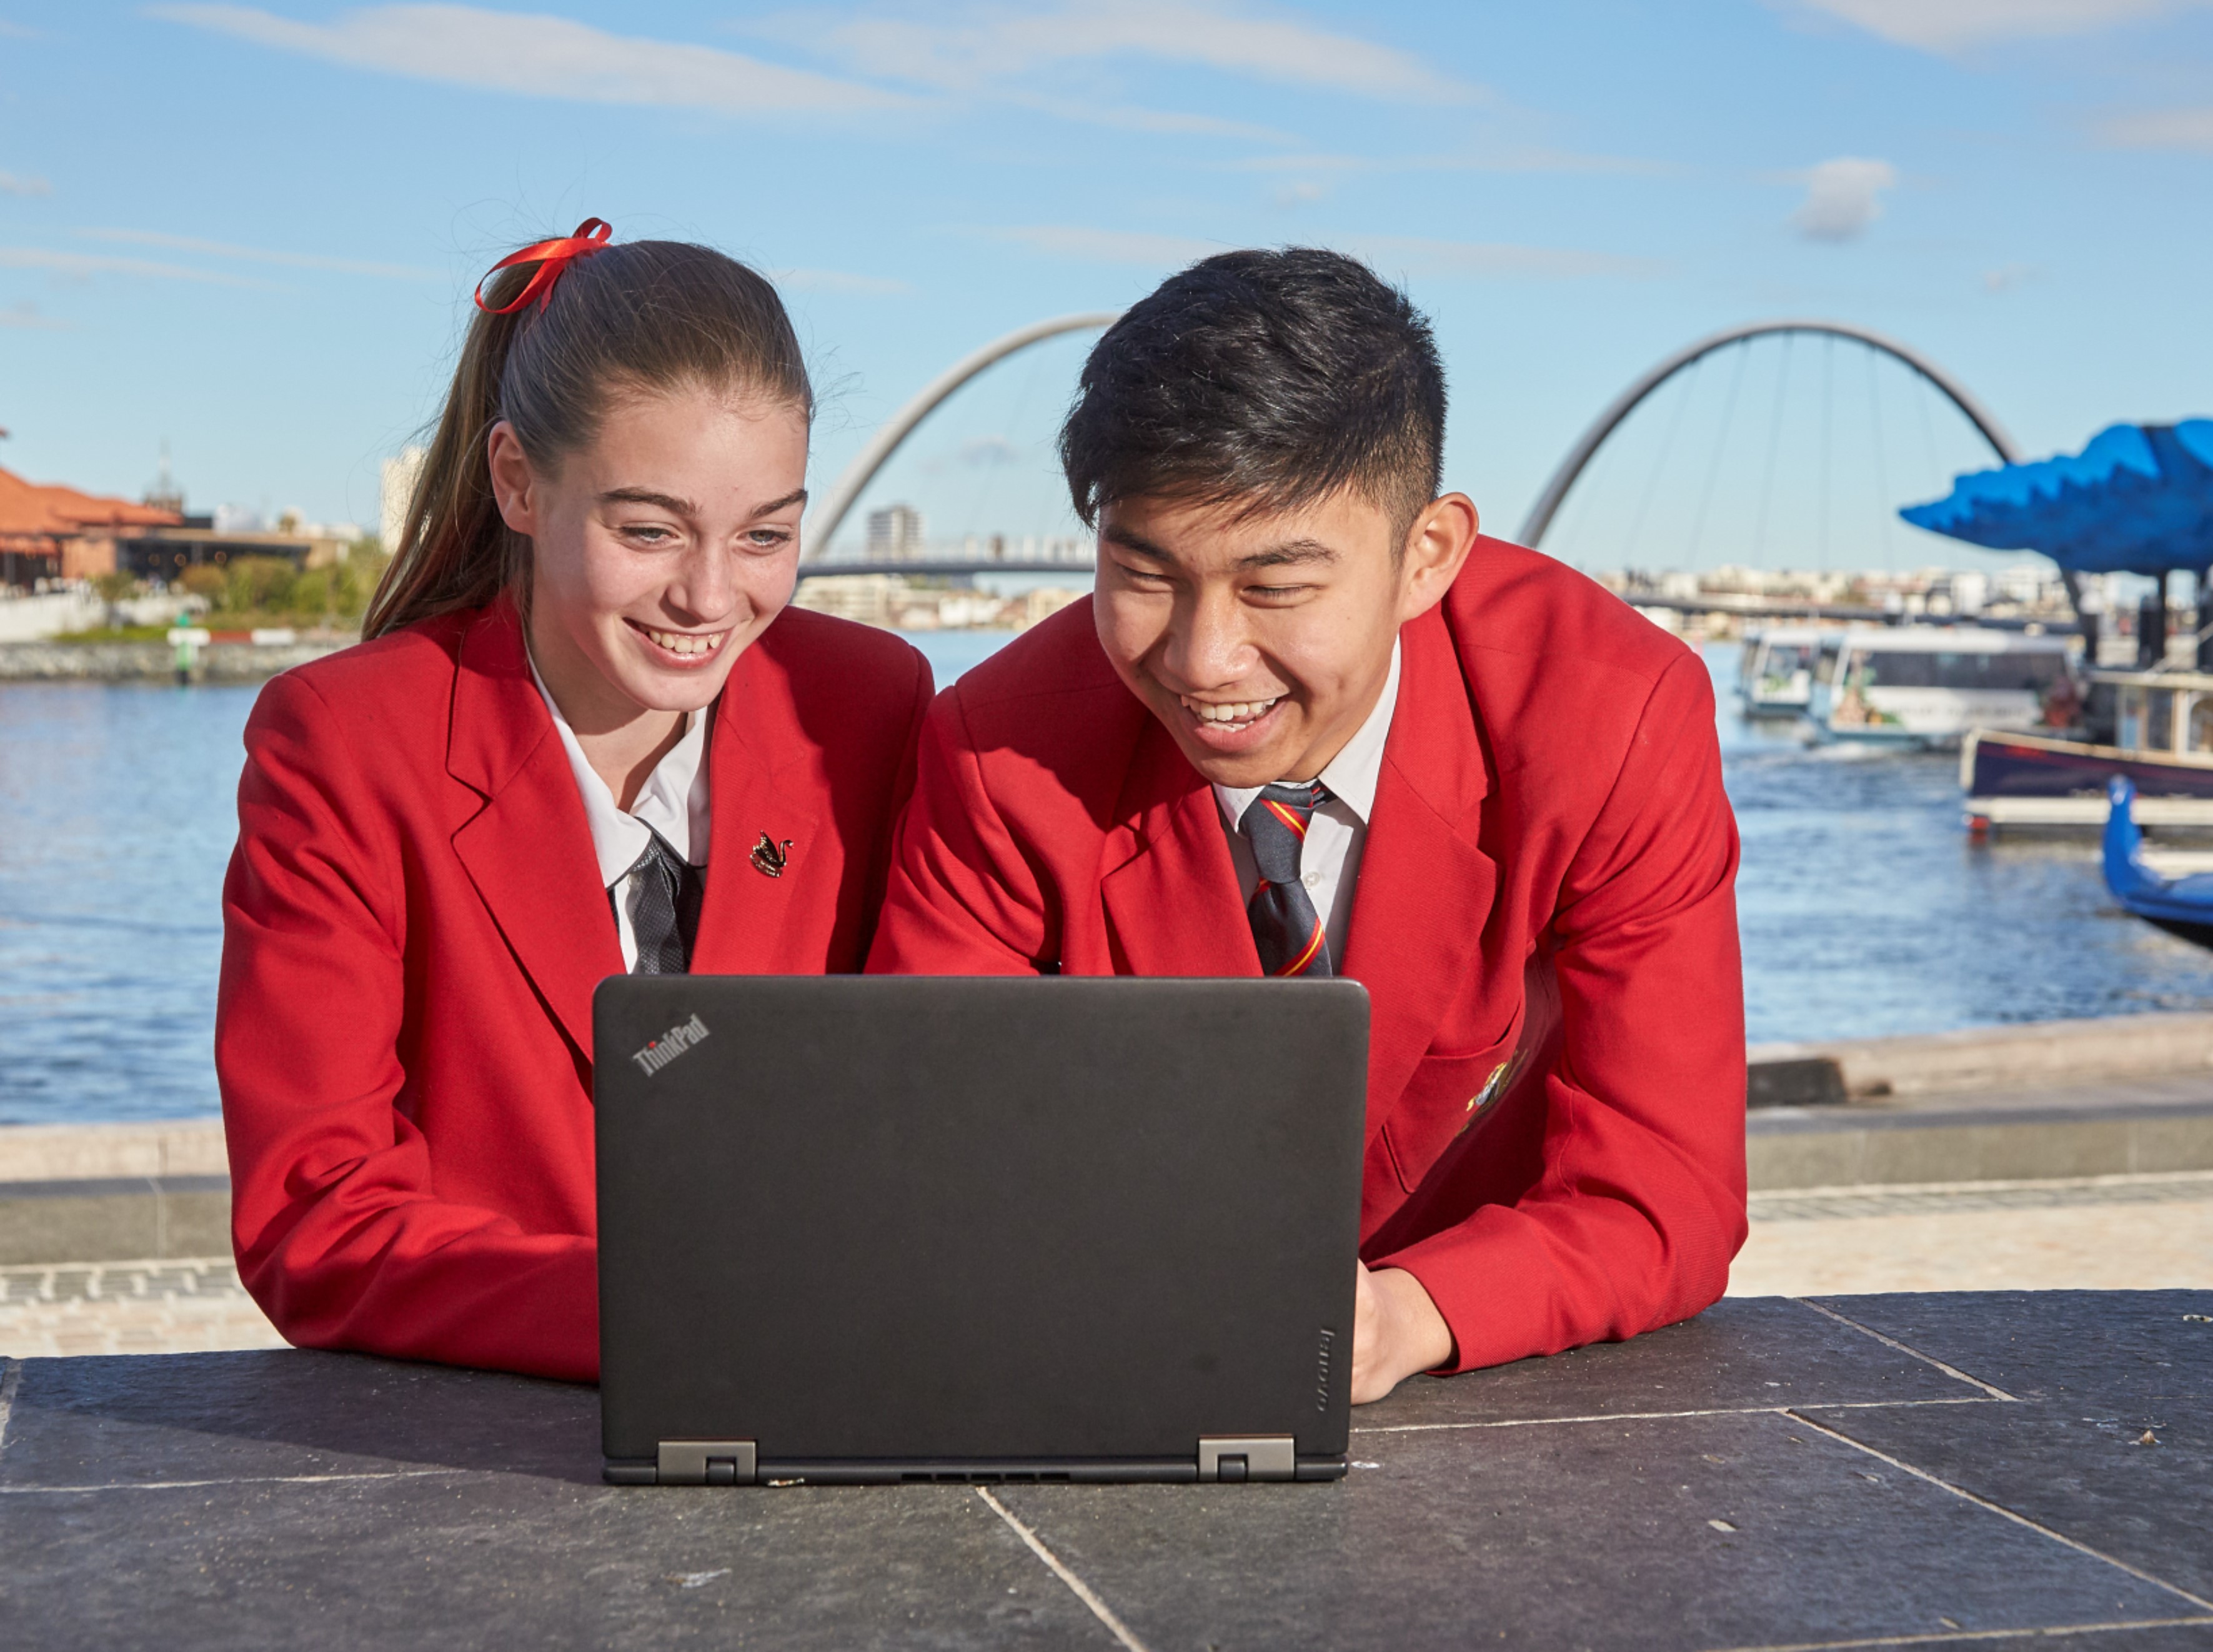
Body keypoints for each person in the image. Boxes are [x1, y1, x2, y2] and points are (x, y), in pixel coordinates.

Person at [869, 249, 1746, 1403]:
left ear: (1425, 555)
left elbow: (1663, 1183)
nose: (1201, 661)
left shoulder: (1608, 714)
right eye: (1141, 574)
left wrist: (1407, 1316)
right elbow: (938, 1166)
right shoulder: (998, 750)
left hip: (1488, 1374)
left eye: (1274, 587)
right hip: (1124, 1354)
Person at [217, 223, 933, 1381]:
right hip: (496, 1441)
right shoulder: (344, 743)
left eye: (767, 535)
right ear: (517, 481)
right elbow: (318, 1216)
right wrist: (669, 1317)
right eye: (648, 530)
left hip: (829, 1399)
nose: (710, 596)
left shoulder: (867, 705)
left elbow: (940, 1099)